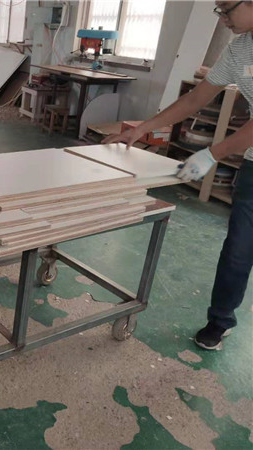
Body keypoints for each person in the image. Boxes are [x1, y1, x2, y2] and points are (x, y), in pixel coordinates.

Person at [103, 1, 253, 350]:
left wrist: (213, 153)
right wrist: (142, 128)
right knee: (238, 250)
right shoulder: (239, 48)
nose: (223, 18)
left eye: (227, 9)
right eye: (218, 10)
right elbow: (195, 99)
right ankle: (220, 320)